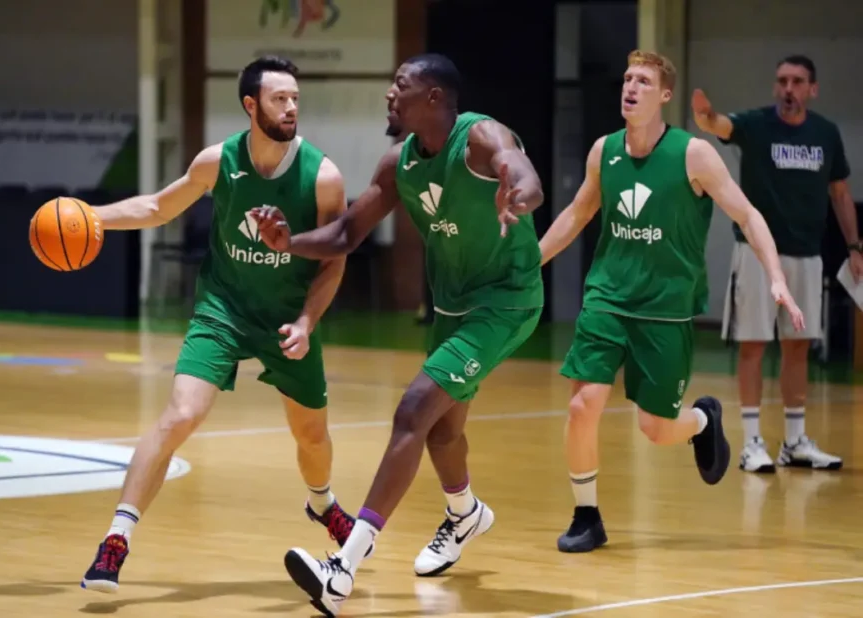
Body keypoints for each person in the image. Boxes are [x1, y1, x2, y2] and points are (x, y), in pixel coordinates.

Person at [251, 53, 545, 616]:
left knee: (412, 411)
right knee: (439, 434)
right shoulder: (399, 164)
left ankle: (342, 569)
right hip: (455, 309)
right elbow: (343, 235)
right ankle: (465, 515)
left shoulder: (480, 137)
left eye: (401, 86)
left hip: (505, 304)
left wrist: (519, 194)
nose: (390, 93)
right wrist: (288, 242)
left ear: (433, 97)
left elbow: (520, 170)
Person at [79, 56, 364, 593]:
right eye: (281, 99)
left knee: (312, 436)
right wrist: (92, 216)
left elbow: (335, 259)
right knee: (181, 414)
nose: (292, 107)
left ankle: (321, 503)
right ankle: (117, 538)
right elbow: (159, 207)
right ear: (251, 106)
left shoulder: (323, 177)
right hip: (224, 309)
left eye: (296, 99)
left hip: (287, 319)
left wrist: (306, 321)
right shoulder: (218, 162)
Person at [537, 50, 805, 553]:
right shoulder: (603, 152)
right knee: (582, 405)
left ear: (664, 95)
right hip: (607, 299)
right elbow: (576, 215)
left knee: (657, 430)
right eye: (626, 78)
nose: (630, 87)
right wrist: (530, 262)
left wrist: (777, 278)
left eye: (643, 80)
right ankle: (586, 515)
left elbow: (747, 216)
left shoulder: (693, 154)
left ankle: (703, 421)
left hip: (664, 308)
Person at [692, 54, 862, 474]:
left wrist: (854, 246)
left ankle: (794, 441)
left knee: (797, 346)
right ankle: (752, 441)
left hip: (808, 254)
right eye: (783, 81)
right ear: (775, 87)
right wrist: (705, 115)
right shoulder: (754, 125)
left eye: (798, 81)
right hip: (756, 253)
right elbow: (720, 126)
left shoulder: (825, 133)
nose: (789, 88)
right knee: (752, 345)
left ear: (812, 89)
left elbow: (840, 193)